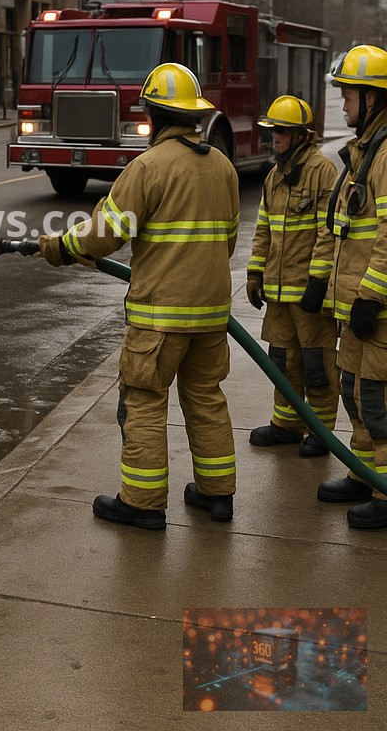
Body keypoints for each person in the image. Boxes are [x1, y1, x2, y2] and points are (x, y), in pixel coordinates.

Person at [36, 62, 239, 531]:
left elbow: (104, 236)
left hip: (159, 318)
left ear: (153, 115)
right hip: (210, 315)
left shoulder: (148, 167)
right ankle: (218, 495)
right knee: (206, 397)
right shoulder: (223, 167)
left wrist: (57, 247)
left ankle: (143, 504)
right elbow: (228, 240)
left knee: (145, 399)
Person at [245, 95, 339, 457]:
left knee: (317, 366)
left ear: (301, 136)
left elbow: (327, 232)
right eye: (272, 132)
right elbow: (264, 229)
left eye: (281, 132)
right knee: (283, 363)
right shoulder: (274, 176)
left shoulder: (321, 172)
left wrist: (318, 282)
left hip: (309, 294)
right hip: (280, 296)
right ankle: (286, 425)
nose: (275, 139)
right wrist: (255, 273)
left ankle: (322, 433)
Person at [319, 44, 387, 529]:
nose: (343, 107)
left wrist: (371, 296)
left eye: (349, 97)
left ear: (374, 98)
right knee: (354, 391)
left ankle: (386, 493)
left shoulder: (385, 155)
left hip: (375, 308)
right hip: (355, 305)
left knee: (378, 401)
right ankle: (364, 475)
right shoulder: (366, 151)